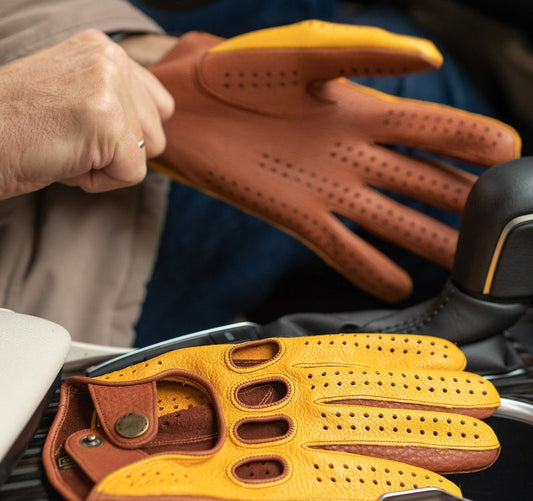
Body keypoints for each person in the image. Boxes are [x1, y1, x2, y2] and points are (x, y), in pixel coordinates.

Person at [0, 0, 525, 347]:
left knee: (358, 60)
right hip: (51, 312)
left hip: (69, 175)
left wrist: (134, 67)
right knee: (427, 112)